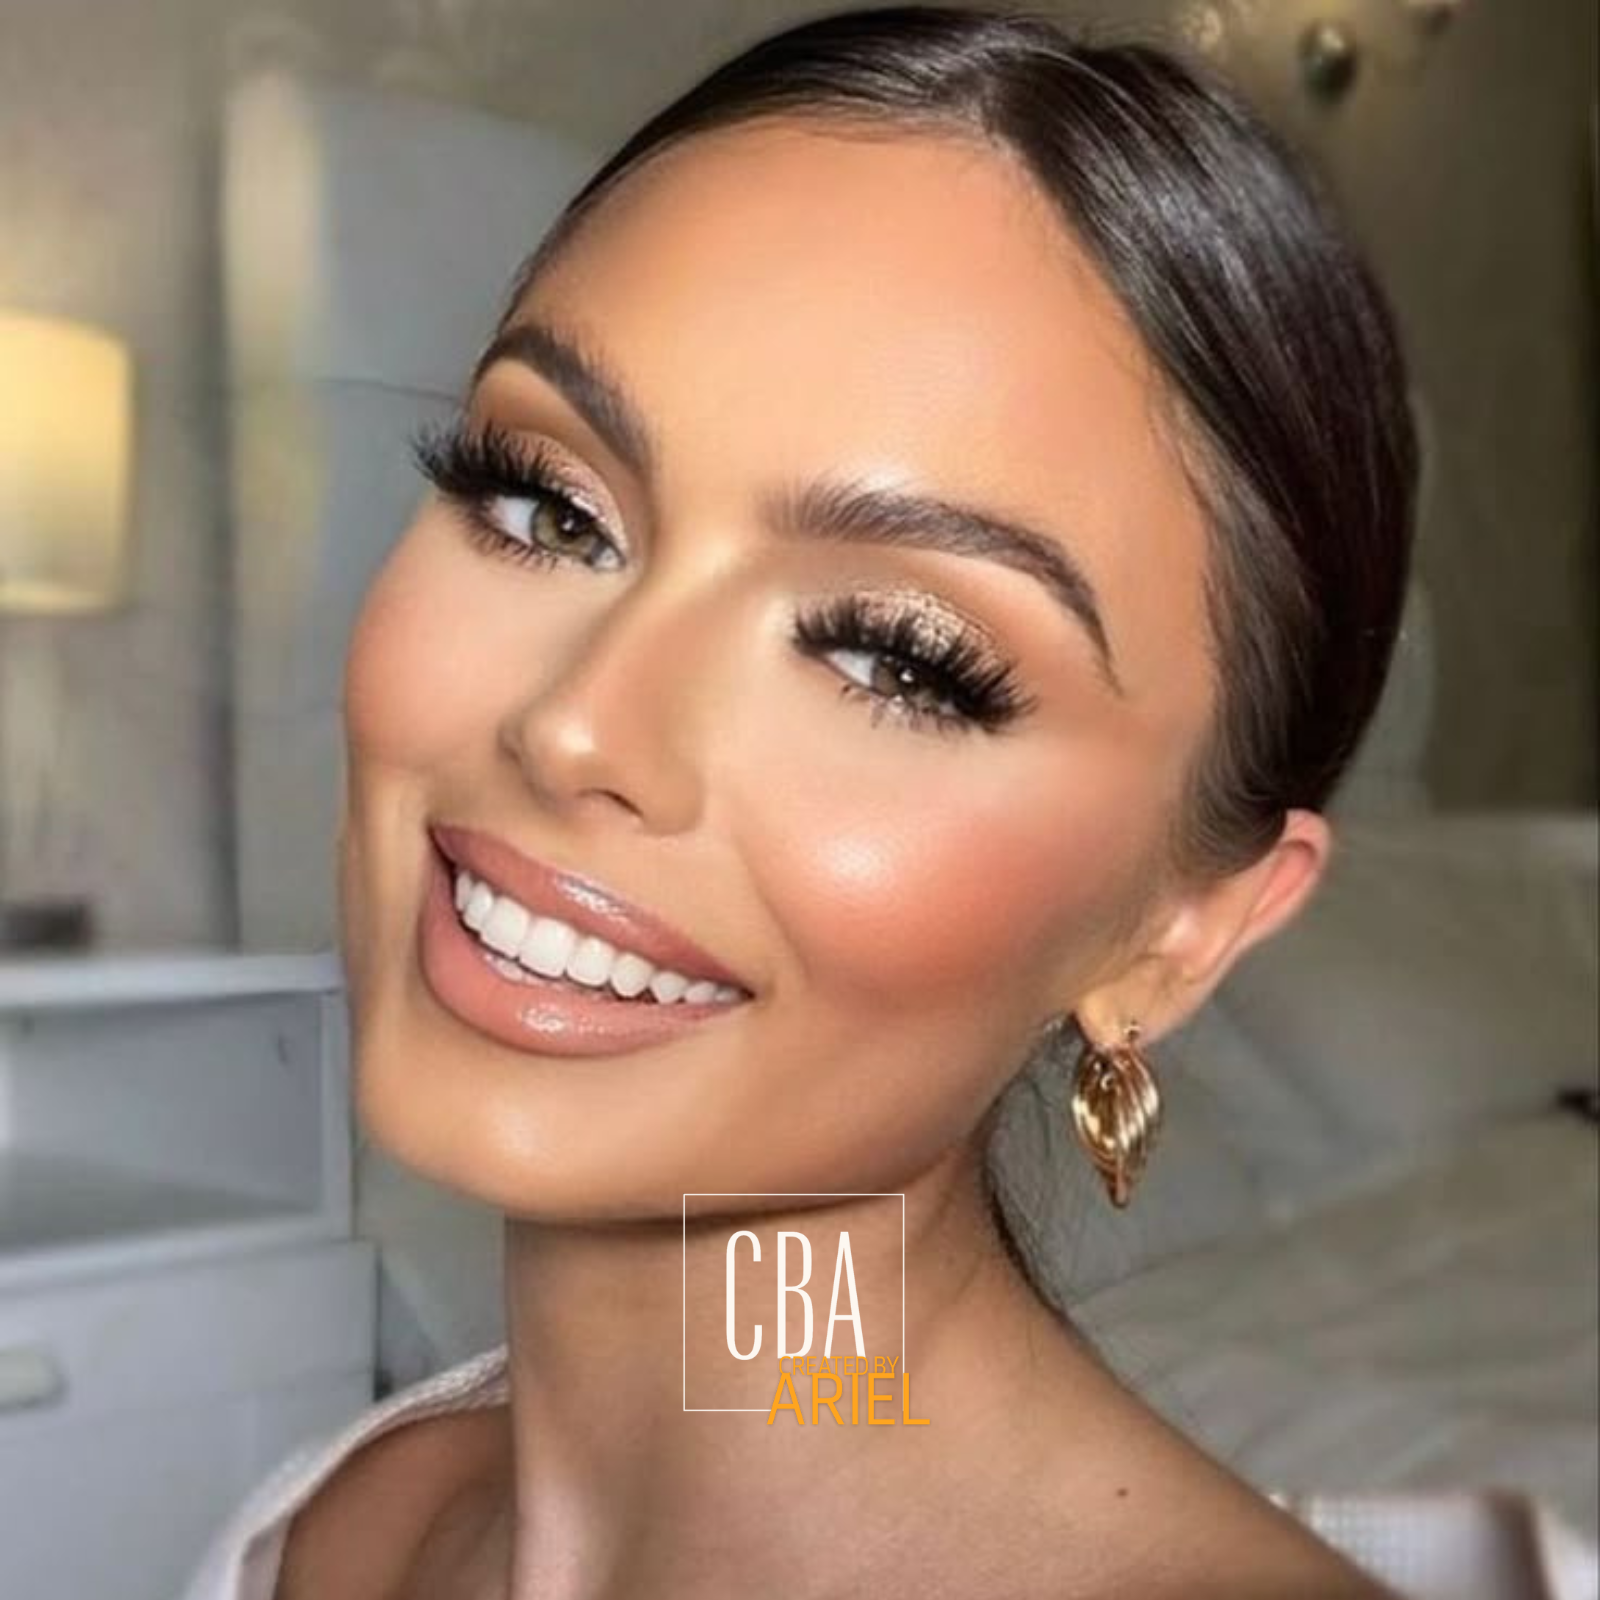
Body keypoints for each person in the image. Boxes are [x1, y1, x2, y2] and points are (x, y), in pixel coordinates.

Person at [184, 6, 1444, 1596]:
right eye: (546, 505)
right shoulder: (341, 1516)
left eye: (895, 660)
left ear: (1182, 937)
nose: (577, 724)